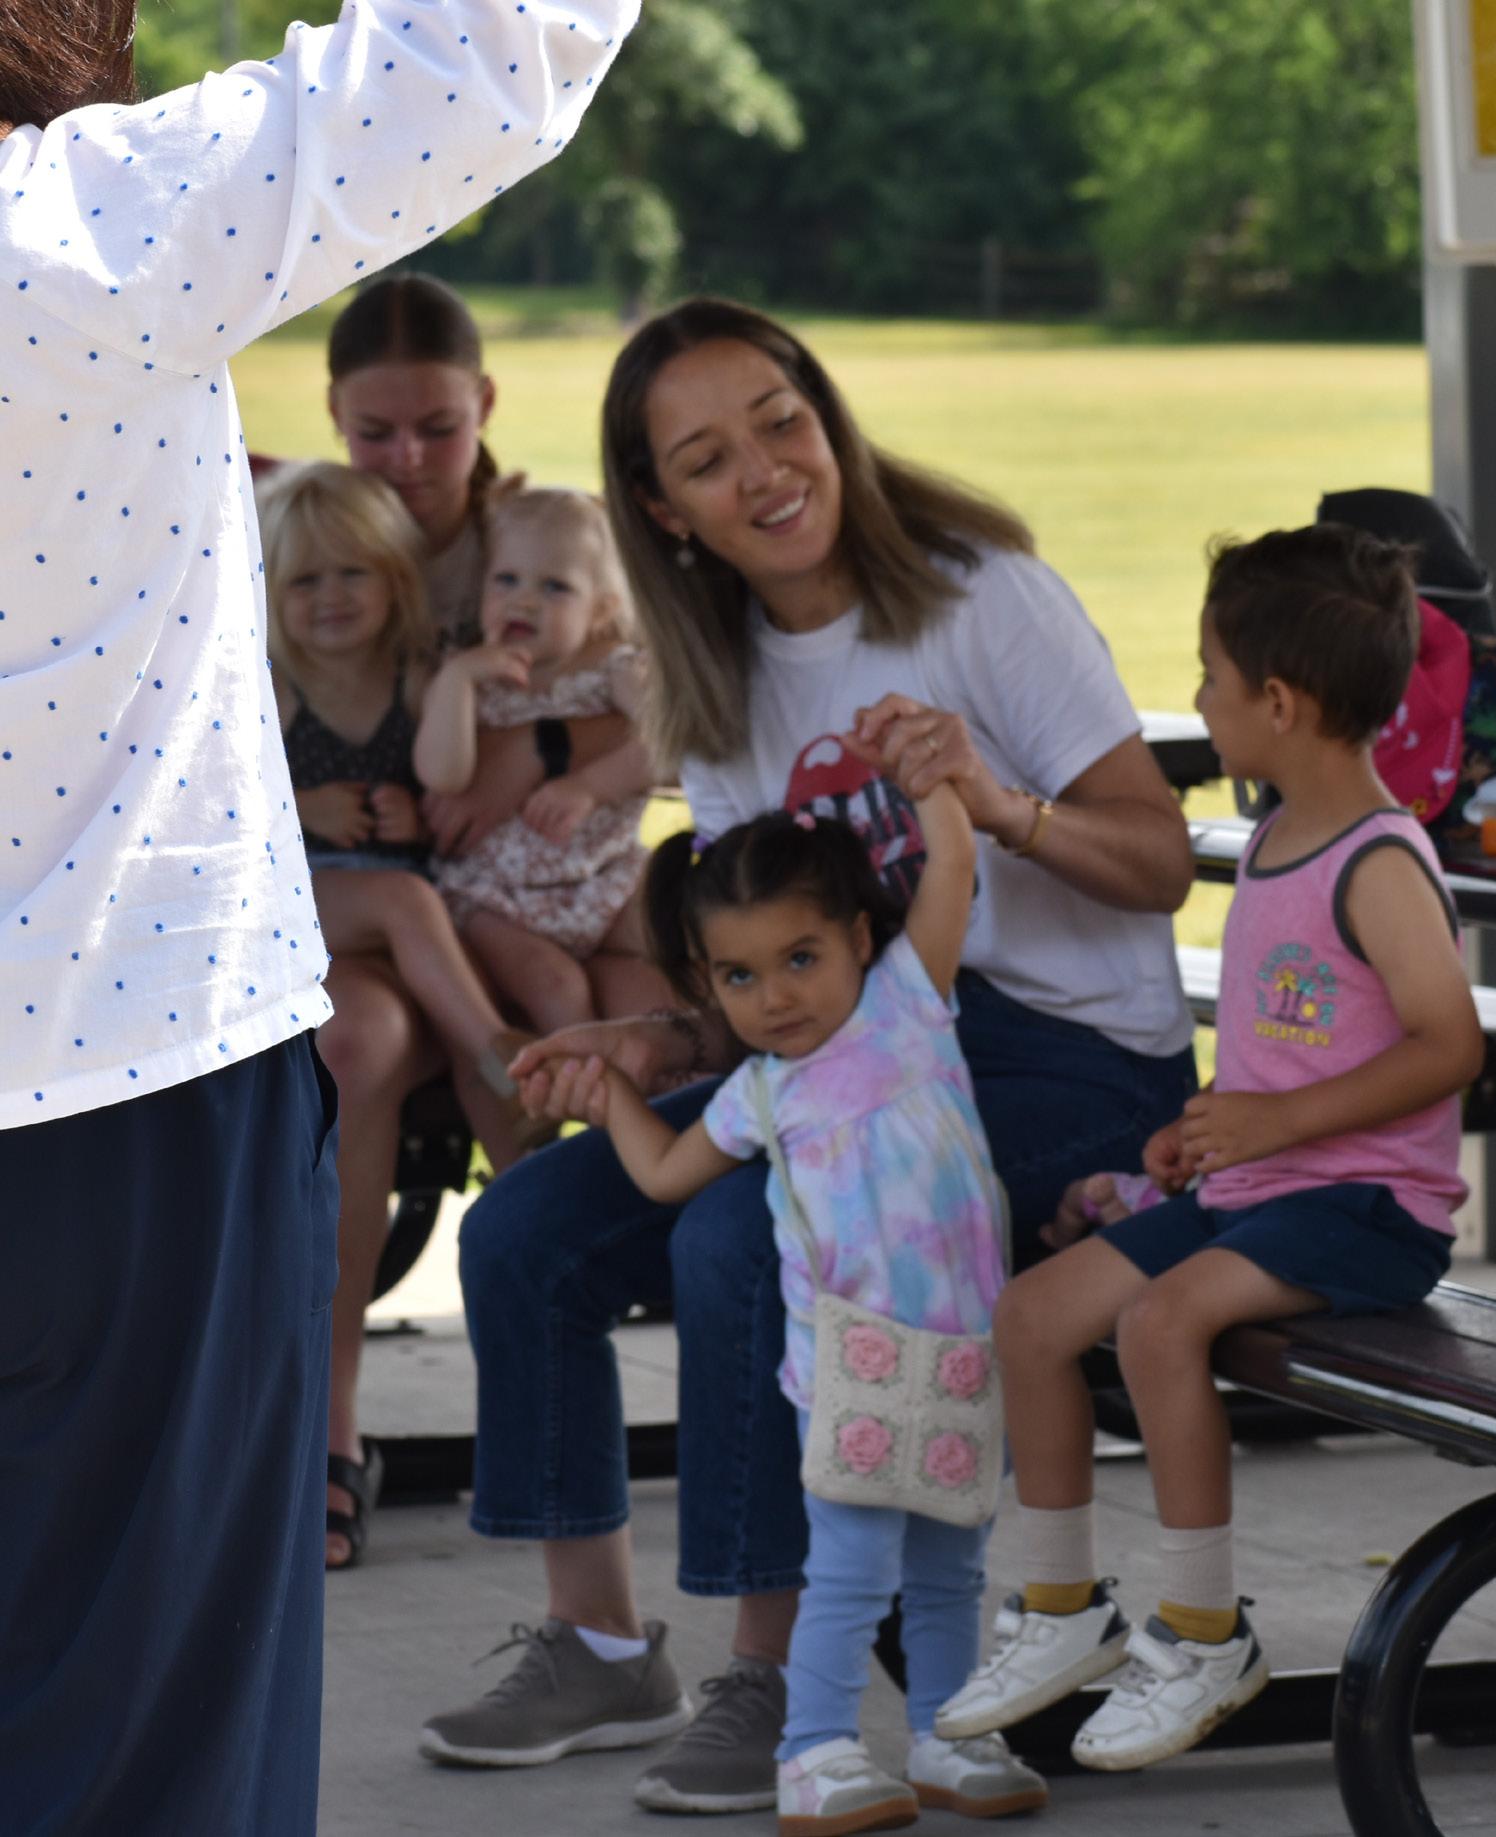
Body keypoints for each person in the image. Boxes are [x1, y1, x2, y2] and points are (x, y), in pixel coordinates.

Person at [418, 299, 1197, 1816]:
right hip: (851, 1053)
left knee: (745, 1232)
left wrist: (1001, 804)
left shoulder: (984, 598)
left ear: (827, 416)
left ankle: (774, 1679)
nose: (766, 471)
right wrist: (650, 1036)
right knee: (521, 1230)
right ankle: (598, 1643)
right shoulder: (711, 679)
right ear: (663, 510)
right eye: (707, 459)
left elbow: (1161, 861)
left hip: (1070, 1061)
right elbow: (763, 978)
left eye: (781, 421)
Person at [0, 1, 641, 1829]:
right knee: (150, 1734)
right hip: (123, 1083)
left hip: (130, 1071)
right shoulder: (92, 226)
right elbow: (498, 49)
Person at [931, 525, 1486, 1772]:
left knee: (1157, 1322)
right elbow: (1296, 1043)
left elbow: (1449, 1044)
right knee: (1030, 1314)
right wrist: (1198, 1136)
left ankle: (1201, 1632)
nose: (1195, 698)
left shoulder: (1377, 860)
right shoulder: (1277, 838)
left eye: (1209, 676)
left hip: (1365, 1210)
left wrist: (1274, 1123)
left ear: (1278, 703)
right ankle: (1062, 1607)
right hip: (1261, 1190)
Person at [583, 801, 1050, 1832]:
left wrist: (936, 782)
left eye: (800, 958)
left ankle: (943, 1735)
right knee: (849, 1570)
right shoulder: (759, 1093)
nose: (776, 996)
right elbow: (663, 1173)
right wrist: (611, 1091)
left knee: (950, 1567)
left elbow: (954, 863)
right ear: (707, 982)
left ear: (859, 938)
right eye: (740, 976)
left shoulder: (908, 1004)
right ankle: (815, 1750)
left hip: (966, 1357)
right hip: (850, 1374)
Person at [317, 274, 661, 1566]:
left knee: (648, 1003)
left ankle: (597, 1376)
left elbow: (652, 689)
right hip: (376, 900)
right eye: (376, 431)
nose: (408, 459)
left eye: (437, 428)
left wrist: (535, 755)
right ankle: (330, 1427)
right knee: (355, 1042)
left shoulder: (532, 537)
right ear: (334, 417)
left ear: (486, 407)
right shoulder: (318, 531)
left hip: (530, 887)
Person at [261, 461, 550, 1564]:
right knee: (398, 900)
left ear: (394, 578)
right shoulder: (264, 685)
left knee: (367, 1033)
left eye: (353, 575)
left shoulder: (419, 675)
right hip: (301, 916)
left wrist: (421, 804)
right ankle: (502, 1062)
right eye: (303, 582)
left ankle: (528, 1365)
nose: (330, 599)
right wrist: (307, 804)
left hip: (394, 973)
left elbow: (467, 772)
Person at [416, 484, 673, 1030]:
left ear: (600, 609)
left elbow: (671, 745)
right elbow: (443, 775)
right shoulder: (470, 673)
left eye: (555, 587)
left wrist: (590, 786)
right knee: (557, 988)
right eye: (506, 580)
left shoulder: (613, 668)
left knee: (681, 941)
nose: (524, 601)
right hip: (494, 899)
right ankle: (570, 1084)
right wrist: (457, 681)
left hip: (604, 879)